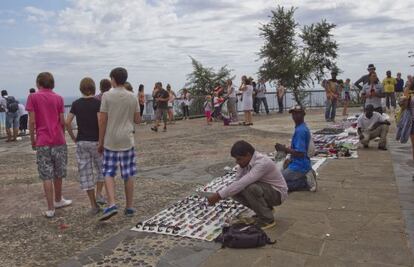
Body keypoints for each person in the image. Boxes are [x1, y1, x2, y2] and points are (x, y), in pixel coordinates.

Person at [207, 140, 288, 229]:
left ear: (248, 155)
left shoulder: (262, 162)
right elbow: (237, 181)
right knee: (235, 191)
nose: (237, 162)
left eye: (239, 159)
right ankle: (266, 210)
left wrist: (219, 196)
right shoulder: (244, 163)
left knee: (250, 188)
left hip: (277, 193)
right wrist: (224, 193)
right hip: (266, 190)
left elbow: (244, 182)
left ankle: (267, 220)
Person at [26, 72, 72, 218]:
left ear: (38, 83)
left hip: (43, 141)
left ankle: (50, 208)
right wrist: (62, 135)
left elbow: (32, 121)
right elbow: (62, 121)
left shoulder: (33, 97)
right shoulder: (59, 98)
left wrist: (32, 139)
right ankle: (58, 200)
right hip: (58, 140)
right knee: (58, 172)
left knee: (46, 175)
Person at [98, 67, 141, 221]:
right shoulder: (132, 96)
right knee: (128, 174)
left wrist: (100, 141)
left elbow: (102, 120)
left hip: (110, 140)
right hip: (127, 140)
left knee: (108, 172)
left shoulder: (107, 96)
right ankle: (129, 207)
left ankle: (112, 203)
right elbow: (137, 119)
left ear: (113, 79)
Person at [66, 77, 106, 215]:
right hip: (96, 141)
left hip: (82, 142)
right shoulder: (98, 103)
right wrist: (102, 141)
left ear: (81, 88)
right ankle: (99, 193)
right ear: (93, 88)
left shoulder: (76, 104)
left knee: (86, 173)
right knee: (103, 169)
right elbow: (101, 122)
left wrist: (74, 138)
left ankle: (93, 205)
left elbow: (67, 122)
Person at [275, 105, 317, 192]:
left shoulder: (300, 131)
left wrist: (284, 149)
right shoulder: (301, 127)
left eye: (298, 114)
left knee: (277, 183)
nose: (295, 116)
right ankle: (305, 175)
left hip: (299, 166)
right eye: (293, 114)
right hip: (299, 163)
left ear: (303, 115)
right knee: (278, 179)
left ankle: (305, 182)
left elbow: (300, 153)